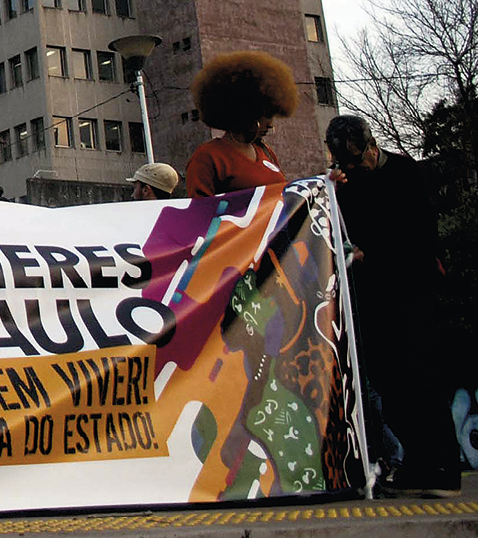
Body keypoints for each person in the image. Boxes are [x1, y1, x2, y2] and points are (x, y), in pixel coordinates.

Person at [325, 115, 460, 498]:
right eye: (346, 165)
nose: (356, 170)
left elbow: (422, 234)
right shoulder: (349, 182)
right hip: (371, 295)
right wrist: (331, 191)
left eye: (358, 161)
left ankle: (444, 466)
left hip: (409, 289)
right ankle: (418, 460)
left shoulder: (405, 173)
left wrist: (373, 256)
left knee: (420, 376)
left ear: (372, 147)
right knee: (388, 381)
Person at [183, 51, 297, 199]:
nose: (270, 124)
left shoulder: (267, 152)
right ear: (247, 111)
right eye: (267, 116)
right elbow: (199, 212)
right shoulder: (208, 157)